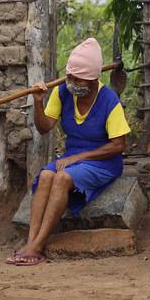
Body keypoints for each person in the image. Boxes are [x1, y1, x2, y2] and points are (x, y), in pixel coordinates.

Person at [7, 37, 129, 265]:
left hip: (103, 162)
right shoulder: (62, 92)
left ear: (93, 80)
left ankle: (38, 245)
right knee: (46, 175)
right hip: (72, 159)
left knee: (62, 178)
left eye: (78, 79)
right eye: (69, 77)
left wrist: (79, 157)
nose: (71, 82)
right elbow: (44, 128)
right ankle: (31, 241)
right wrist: (38, 102)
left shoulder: (109, 100)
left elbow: (119, 145)